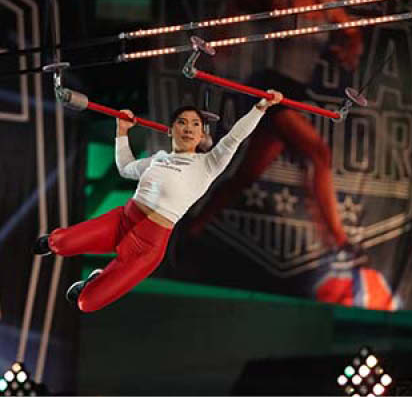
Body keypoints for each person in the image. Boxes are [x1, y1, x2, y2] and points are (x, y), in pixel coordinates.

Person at [33, 90, 284, 312]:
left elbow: (235, 138)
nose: (188, 128)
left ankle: (94, 281)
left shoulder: (209, 164)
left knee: (86, 303)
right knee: (57, 243)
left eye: (195, 124)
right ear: (170, 129)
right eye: (182, 122)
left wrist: (260, 107)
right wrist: (121, 132)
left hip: (148, 247)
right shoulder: (157, 159)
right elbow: (125, 167)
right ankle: (58, 243)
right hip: (123, 221)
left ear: (201, 134)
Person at [187, 0, 366, 267]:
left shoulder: (329, 5)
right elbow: (239, 1)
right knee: (320, 154)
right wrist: (223, 36)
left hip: (293, 94)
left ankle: (194, 227)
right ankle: (340, 241)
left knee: (246, 175)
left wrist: (347, 49)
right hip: (271, 89)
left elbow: (353, 32)